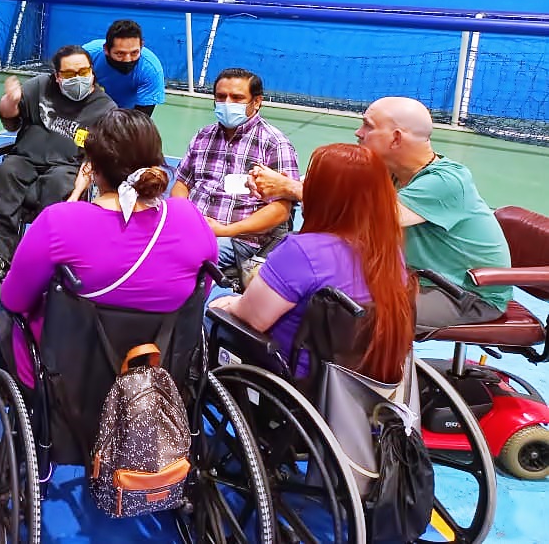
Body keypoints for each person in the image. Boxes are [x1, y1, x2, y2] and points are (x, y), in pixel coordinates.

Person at [249, 96, 511, 331]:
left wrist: (288, 187)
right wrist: (276, 183)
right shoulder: (388, 171)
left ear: (396, 138)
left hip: (464, 295)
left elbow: (375, 215)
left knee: (345, 312)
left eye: (368, 126)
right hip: (413, 278)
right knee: (316, 296)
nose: (358, 132)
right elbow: (325, 187)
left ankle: (370, 380)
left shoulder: (447, 182)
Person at [0, 109, 217, 387]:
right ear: (156, 161)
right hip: (160, 374)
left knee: (7, 321)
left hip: (74, 382)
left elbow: (15, 300)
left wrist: (76, 194)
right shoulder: (189, 217)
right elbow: (200, 292)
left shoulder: (59, 222)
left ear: (93, 168)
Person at [209, 144, 415, 384]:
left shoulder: (301, 252)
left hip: (294, 376)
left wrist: (225, 302)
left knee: (212, 303)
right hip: (359, 376)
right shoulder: (391, 254)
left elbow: (252, 319)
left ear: (320, 194)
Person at [0, 45, 117, 291]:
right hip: (25, 159)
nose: (78, 78)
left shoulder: (106, 108)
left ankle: (43, 258)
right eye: (70, 74)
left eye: (84, 71)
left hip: (68, 167)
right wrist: (10, 102)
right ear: (57, 76)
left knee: (57, 183)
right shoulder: (39, 86)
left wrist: (81, 184)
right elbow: (11, 122)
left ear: (92, 72)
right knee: (3, 172)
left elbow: (98, 157)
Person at [172, 67, 300, 269]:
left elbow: (281, 211)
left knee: (184, 257)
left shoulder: (275, 144)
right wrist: (183, 217)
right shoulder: (202, 136)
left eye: (237, 98)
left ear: (256, 102)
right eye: (221, 97)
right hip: (191, 228)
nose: (227, 103)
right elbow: (182, 184)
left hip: (238, 240)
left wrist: (226, 230)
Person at [82, 19, 166, 115]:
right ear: (106, 49)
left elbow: (141, 118)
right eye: (120, 53)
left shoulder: (150, 69)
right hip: (89, 108)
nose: (128, 59)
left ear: (141, 46)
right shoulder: (88, 55)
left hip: (127, 114)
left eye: (134, 53)